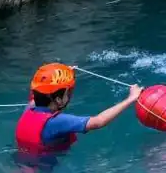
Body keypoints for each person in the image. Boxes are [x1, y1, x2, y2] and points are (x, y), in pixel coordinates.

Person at [14, 63, 142, 155]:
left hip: (23, 163)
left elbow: (37, 92)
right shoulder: (56, 122)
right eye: (68, 92)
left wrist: (65, 74)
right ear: (58, 99)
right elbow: (99, 121)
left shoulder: (29, 109)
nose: (71, 94)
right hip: (46, 172)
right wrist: (131, 98)